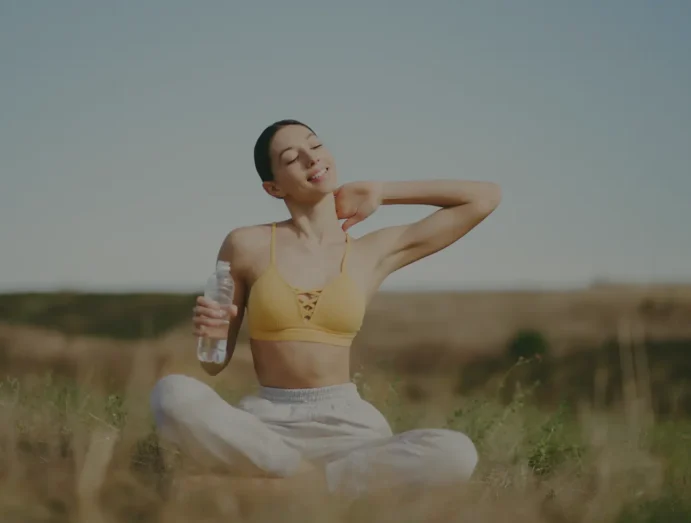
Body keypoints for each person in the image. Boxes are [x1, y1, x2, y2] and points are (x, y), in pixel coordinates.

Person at [151, 119, 502, 498]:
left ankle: (275, 492)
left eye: (315, 146)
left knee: (456, 454)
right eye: (291, 158)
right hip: (268, 424)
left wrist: (382, 191)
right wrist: (212, 333)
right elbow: (213, 364)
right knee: (172, 394)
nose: (309, 158)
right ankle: (319, 488)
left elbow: (484, 198)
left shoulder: (371, 252)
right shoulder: (245, 244)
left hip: (349, 427)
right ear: (273, 187)